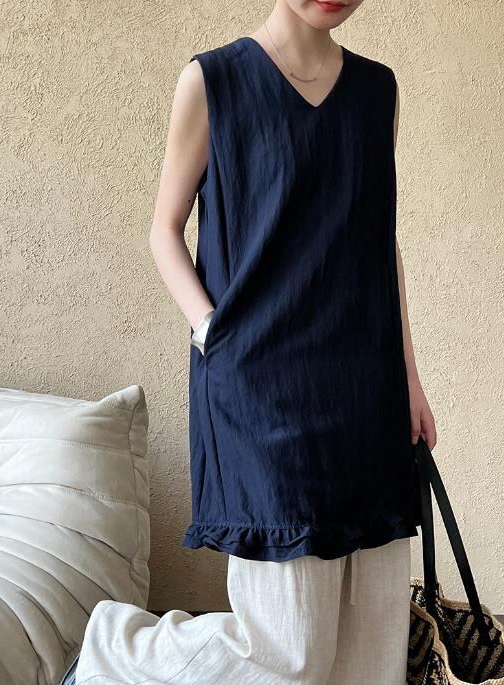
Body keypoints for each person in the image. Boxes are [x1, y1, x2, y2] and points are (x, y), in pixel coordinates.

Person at [73, 1, 437, 684]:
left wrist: (409, 380)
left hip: (366, 390)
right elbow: (164, 229)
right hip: (262, 389)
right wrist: (215, 334)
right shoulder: (213, 81)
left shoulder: (378, 91)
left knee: (371, 641)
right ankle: (112, 652)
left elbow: (378, 245)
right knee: (287, 649)